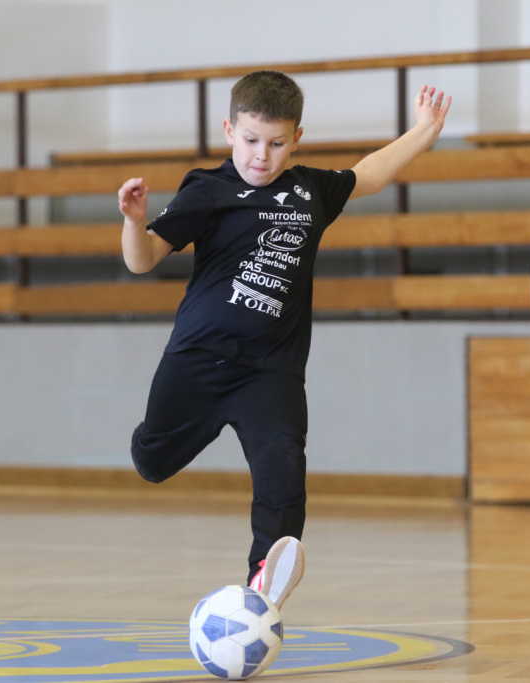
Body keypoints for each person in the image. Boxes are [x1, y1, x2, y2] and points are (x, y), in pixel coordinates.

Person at [119, 70, 450, 609]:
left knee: (284, 465)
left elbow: (368, 175)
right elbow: (143, 260)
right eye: (251, 140)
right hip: (198, 360)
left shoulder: (310, 191)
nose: (261, 156)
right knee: (153, 463)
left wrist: (423, 132)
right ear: (229, 130)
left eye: (276, 143)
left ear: (296, 138)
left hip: (269, 370)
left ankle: (263, 583)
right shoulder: (207, 190)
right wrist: (135, 222)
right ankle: (155, 443)